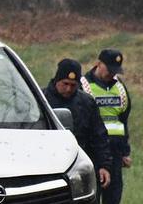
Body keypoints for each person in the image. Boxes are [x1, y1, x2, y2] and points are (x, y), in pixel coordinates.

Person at [85, 48, 132, 204]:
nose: (112, 74)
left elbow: (123, 122)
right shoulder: (85, 86)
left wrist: (125, 152)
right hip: (91, 154)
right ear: (98, 64)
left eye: (115, 70)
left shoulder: (120, 89)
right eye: (109, 69)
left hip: (113, 155)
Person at [43, 58, 112, 192]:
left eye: (73, 85)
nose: (69, 89)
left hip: (80, 166)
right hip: (50, 166)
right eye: (65, 84)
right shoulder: (42, 100)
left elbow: (99, 136)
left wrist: (104, 166)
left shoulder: (87, 103)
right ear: (57, 80)